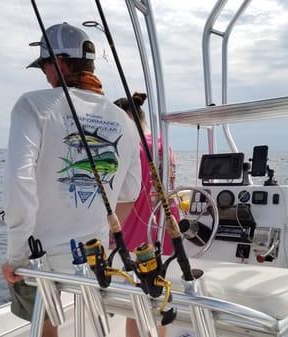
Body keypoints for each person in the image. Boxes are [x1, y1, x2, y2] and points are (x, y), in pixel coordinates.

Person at [1, 23, 141, 337]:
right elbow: (130, 193)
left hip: (40, 258)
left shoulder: (32, 105)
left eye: (45, 66)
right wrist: (100, 234)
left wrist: (15, 256)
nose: (45, 75)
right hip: (96, 257)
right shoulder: (124, 121)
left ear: (61, 63)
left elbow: (18, 182)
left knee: (45, 321)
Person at [115, 93, 180, 337]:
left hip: (136, 237)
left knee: (136, 306)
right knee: (159, 301)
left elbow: (125, 196)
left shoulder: (133, 147)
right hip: (164, 235)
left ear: (126, 117)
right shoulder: (165, 145)